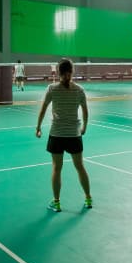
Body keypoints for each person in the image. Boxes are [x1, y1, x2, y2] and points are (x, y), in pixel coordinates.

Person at [35, 59, 92, 213]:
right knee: (80, 167)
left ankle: (57, 202)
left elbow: (43, 109)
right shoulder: (79, 90)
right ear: (72, 72)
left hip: (57, 135)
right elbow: (85, 111)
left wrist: (38, 127)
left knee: (56, 169)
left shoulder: (52, 89)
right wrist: (84, 127)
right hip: (74, 135)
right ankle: (88, 198)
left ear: (58, 72)